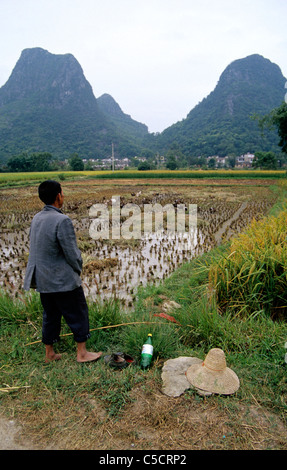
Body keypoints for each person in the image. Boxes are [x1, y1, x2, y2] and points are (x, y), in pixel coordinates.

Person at [24, 180, 102, 363]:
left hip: (43, 279)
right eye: (62, 193)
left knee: (50, 315)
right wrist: (77, 269)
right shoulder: (62, 220)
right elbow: (72, 253)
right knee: (78, 311)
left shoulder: (37, 218)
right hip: (62, 280)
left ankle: (49, 353)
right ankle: (82, 353)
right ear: (58, 196)